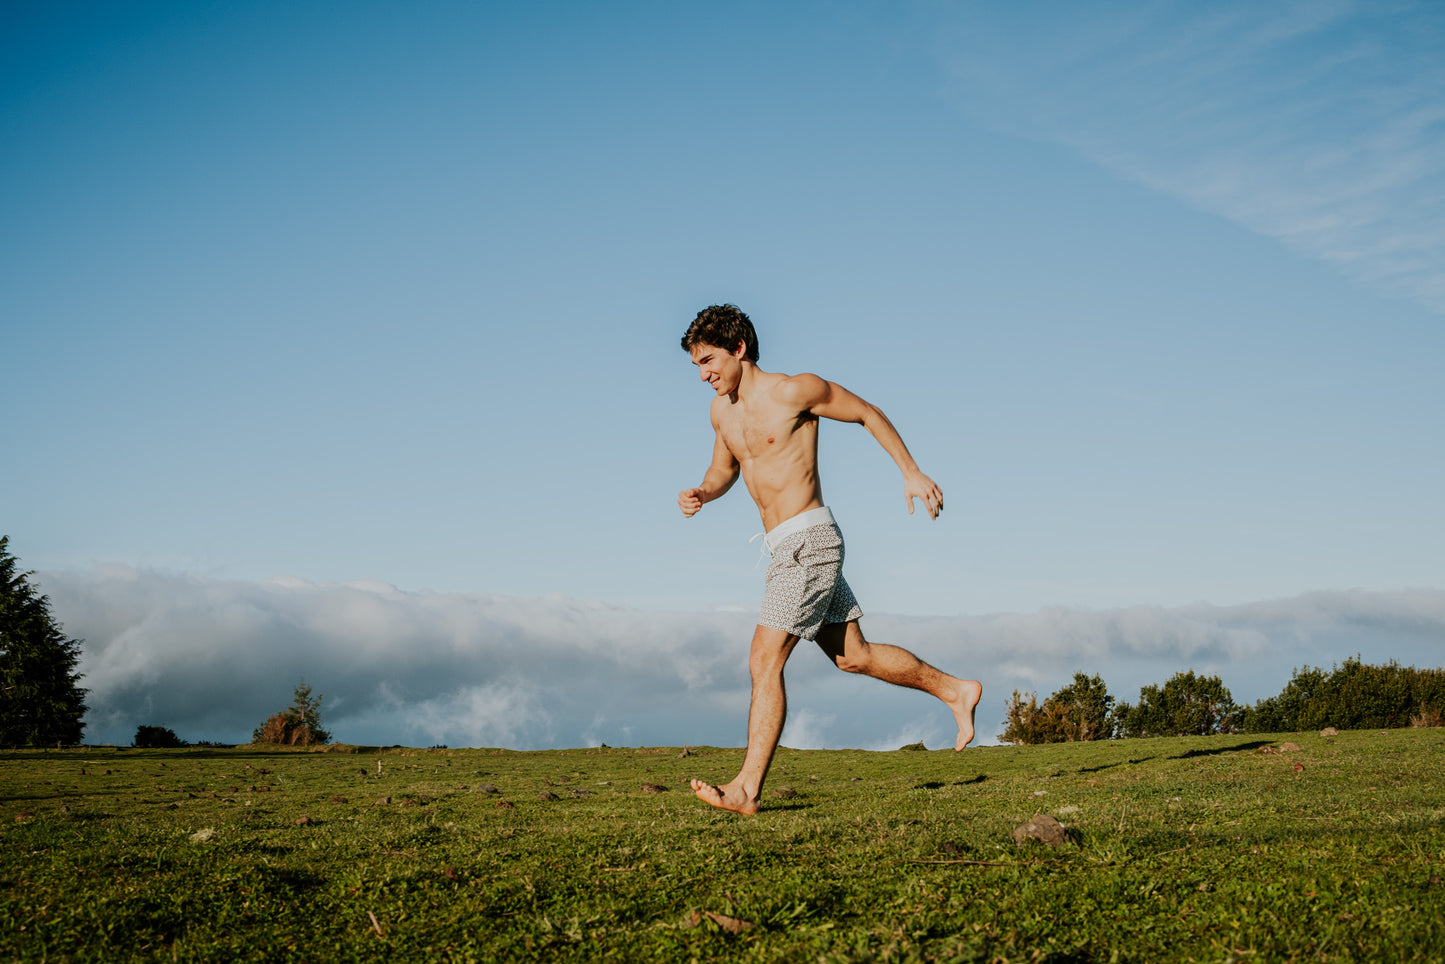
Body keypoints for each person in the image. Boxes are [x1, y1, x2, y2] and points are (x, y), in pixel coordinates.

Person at [678, 303, 983, 815]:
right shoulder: (721, 412)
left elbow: (866, 412)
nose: (704, 373)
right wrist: (704, 493)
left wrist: (911, 472)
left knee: (763, 658)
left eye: (709, 360)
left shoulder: (796, 390)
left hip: (811, 541)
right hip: (781, 550)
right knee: (853, 656)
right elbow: (724, 468)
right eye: (697, 366)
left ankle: (746, 789)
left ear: (739, 349)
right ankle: (956, 690)